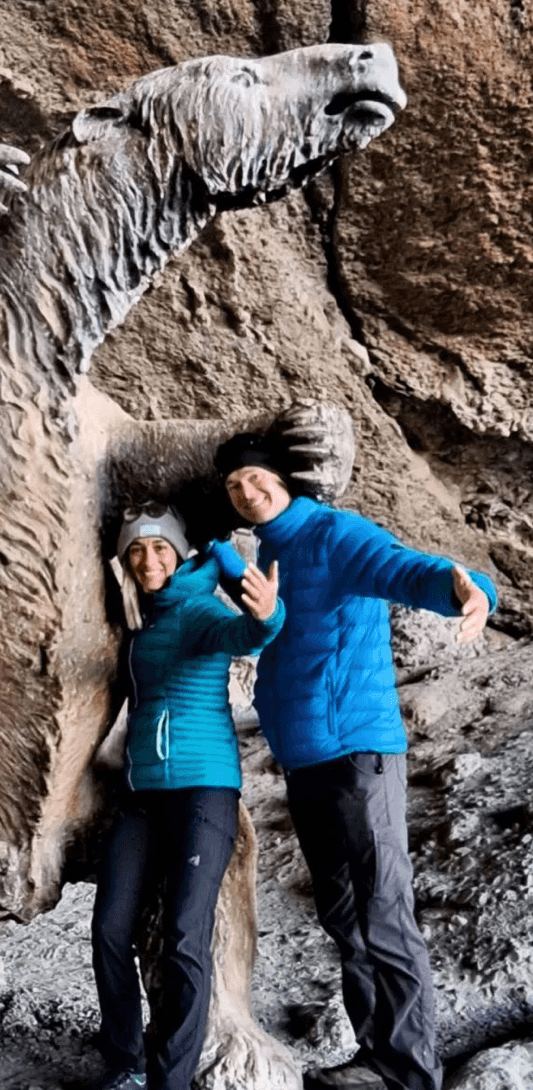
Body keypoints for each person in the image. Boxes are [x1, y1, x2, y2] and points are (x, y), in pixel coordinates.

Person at [214, 431, 496, 1090]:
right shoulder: (276, 547)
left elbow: (408, 568)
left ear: (286, 480)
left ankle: (411, 1072)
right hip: (307, 761)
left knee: (383, 912)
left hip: (357, 755)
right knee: (343, 914)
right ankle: (378, 1052)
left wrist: (471, 591)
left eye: (257, 479)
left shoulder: (338, 534)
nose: (248, 493)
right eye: (235, 487)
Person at [92, 502, 283, 1090]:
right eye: (137, 550)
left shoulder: (199, 606)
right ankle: (123, 1064)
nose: (149, 559)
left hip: (204, 791)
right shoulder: (135, 617)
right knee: (107, 931)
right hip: (142, 796)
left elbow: (244, 632)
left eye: (160, 548)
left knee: (184, 937)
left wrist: (267, 615)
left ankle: (167, 1081)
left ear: (180, 552)